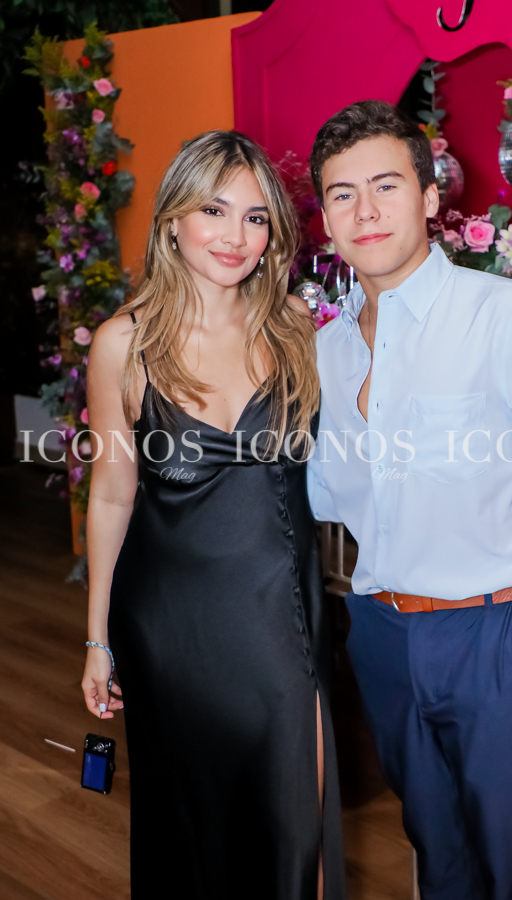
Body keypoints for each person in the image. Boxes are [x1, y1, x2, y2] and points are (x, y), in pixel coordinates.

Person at [306, 101, 512, 900]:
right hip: (381, 635)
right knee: (435, 853)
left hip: (494, 635)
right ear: (326, 219)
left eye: (385, 186)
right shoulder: (327, 351)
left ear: (428, 196)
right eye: (342, 194)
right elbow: (323, 496)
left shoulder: (508, 315)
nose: (365, 210)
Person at [81, 130, 345, 900]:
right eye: (214, 210)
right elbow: (112, 493)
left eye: (256, 218)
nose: (235, 236)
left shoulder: (293, 326)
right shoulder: (123, 345)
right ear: (173, 220)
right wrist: (97, 639)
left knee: (296, 825)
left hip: (280, 619)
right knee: (191, 831)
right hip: (167, 627)